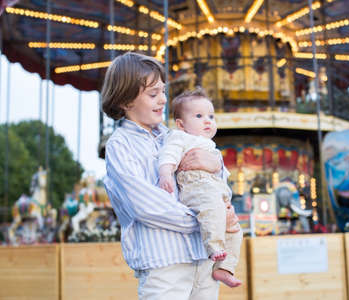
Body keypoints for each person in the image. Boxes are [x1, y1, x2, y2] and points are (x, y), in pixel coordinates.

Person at [101, 52, 239, 300]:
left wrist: (216, 163)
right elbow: (145, 205)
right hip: (164, 263)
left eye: (163, 92)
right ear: (125, 99)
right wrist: (204, 218)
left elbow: (216, 182)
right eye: (153, 94)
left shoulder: (176, 136)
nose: (163, 100)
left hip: (203, 258)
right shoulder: (120, 145)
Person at [158, 87, 243, 288]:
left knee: (234, 228)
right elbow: (169, 154)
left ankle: (225, 267)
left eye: (211, 116)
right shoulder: (179, 137)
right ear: (181, 124)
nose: (207, 120)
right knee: (212, 211)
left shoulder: (211, 146)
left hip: (216, 191)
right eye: (199, 116)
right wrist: (166, 173)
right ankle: (214, 248)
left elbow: (223, 175)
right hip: (196, 187)